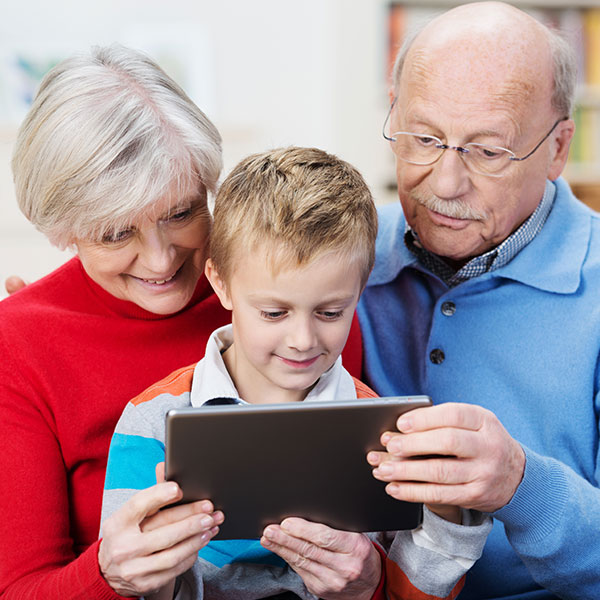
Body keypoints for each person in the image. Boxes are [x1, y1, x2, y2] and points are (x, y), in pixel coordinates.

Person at [0, 45, 365, 599]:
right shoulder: (20, 343)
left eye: (181, 213)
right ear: (62, 228)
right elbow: (19, 587)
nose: (161, 260)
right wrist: (109, 575)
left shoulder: (300, 302)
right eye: (116, 233)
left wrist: (370, 578)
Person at [101, 146, 492, 600]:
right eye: (273, 313)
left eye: (330, 312)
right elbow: (130, 585)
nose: (303, 340)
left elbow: (419, 590)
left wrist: (445, 516)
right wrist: (157, 572)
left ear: (358, 292)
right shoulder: (152, 420)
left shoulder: (380, 426)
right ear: (220, 282)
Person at [359, 2, 600, 599]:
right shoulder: (342, 259)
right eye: (423, 138)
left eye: (487, 151)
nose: (444, 184)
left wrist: (520, 484)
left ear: (557, 148)